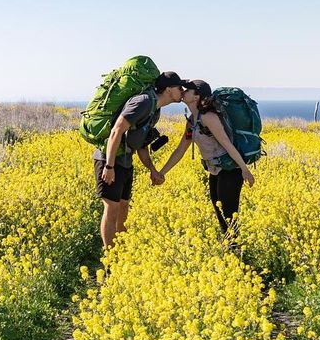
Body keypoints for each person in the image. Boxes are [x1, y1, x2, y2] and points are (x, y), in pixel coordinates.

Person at [94, 71, 187, 248]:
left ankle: (120, 251)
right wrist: (109, 165)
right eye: (179, 87)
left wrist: (152, 169)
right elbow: (116, 131)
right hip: (110, 159)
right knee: (111, 208)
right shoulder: (143, 102)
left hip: (126, 160)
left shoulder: (155, 109)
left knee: (123, 207)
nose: (182, 91)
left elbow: (141, 144)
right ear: (168, 90)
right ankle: (109, 260)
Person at [160, 80, 255, 235]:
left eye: (188, 89)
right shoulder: (192, 121)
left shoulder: (208, 117)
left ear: (197, 96)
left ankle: (236, 252)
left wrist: (245, 170)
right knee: (220, 215)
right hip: (215, 171)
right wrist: (162, 172)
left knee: (229, 216)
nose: (183, 91)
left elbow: (227, 143)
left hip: (230, 170)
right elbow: (180, 150)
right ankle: (230, 250)